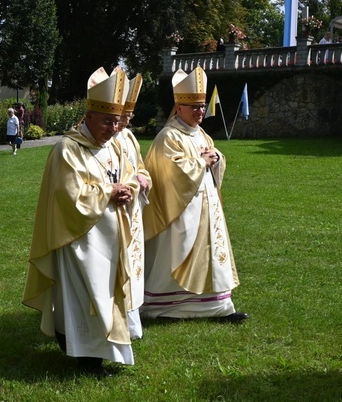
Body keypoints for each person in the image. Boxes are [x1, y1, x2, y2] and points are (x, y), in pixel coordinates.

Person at [22, 66, 140, 377]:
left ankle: (96, 355)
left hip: (112, 241)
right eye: (106, 121)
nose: (112, 128)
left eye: (116, 121)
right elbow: (68, 194)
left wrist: (130, 190)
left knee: (105, 297)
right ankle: (86, 358)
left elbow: (128, 176)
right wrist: (109, 192)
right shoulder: (67, 149)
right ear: (88, 117)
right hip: (79, 242)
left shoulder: (114, 147)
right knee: (85, 299)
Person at [140, 66, 247, 323]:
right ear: (179, 109)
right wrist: (201, 162)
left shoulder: (200, 133)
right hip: (178, 211)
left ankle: (218, 306)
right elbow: (170, 172)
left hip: (206, 206)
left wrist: (216, 158)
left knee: (213, 249)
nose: (200, 111)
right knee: (179, 249)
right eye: (195, 107)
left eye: (202, 106)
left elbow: (212, 157)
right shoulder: (168, 136)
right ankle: (165, 307)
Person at [112, 74, 151, 340]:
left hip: (133, 209)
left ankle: (133, 318)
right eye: (124, 113)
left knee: (133, 261)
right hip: (114, 207)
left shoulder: (128, 137)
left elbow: (140, 166)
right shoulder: (106, 136)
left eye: (130, 114)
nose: (127, 120)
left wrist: (144, 178)